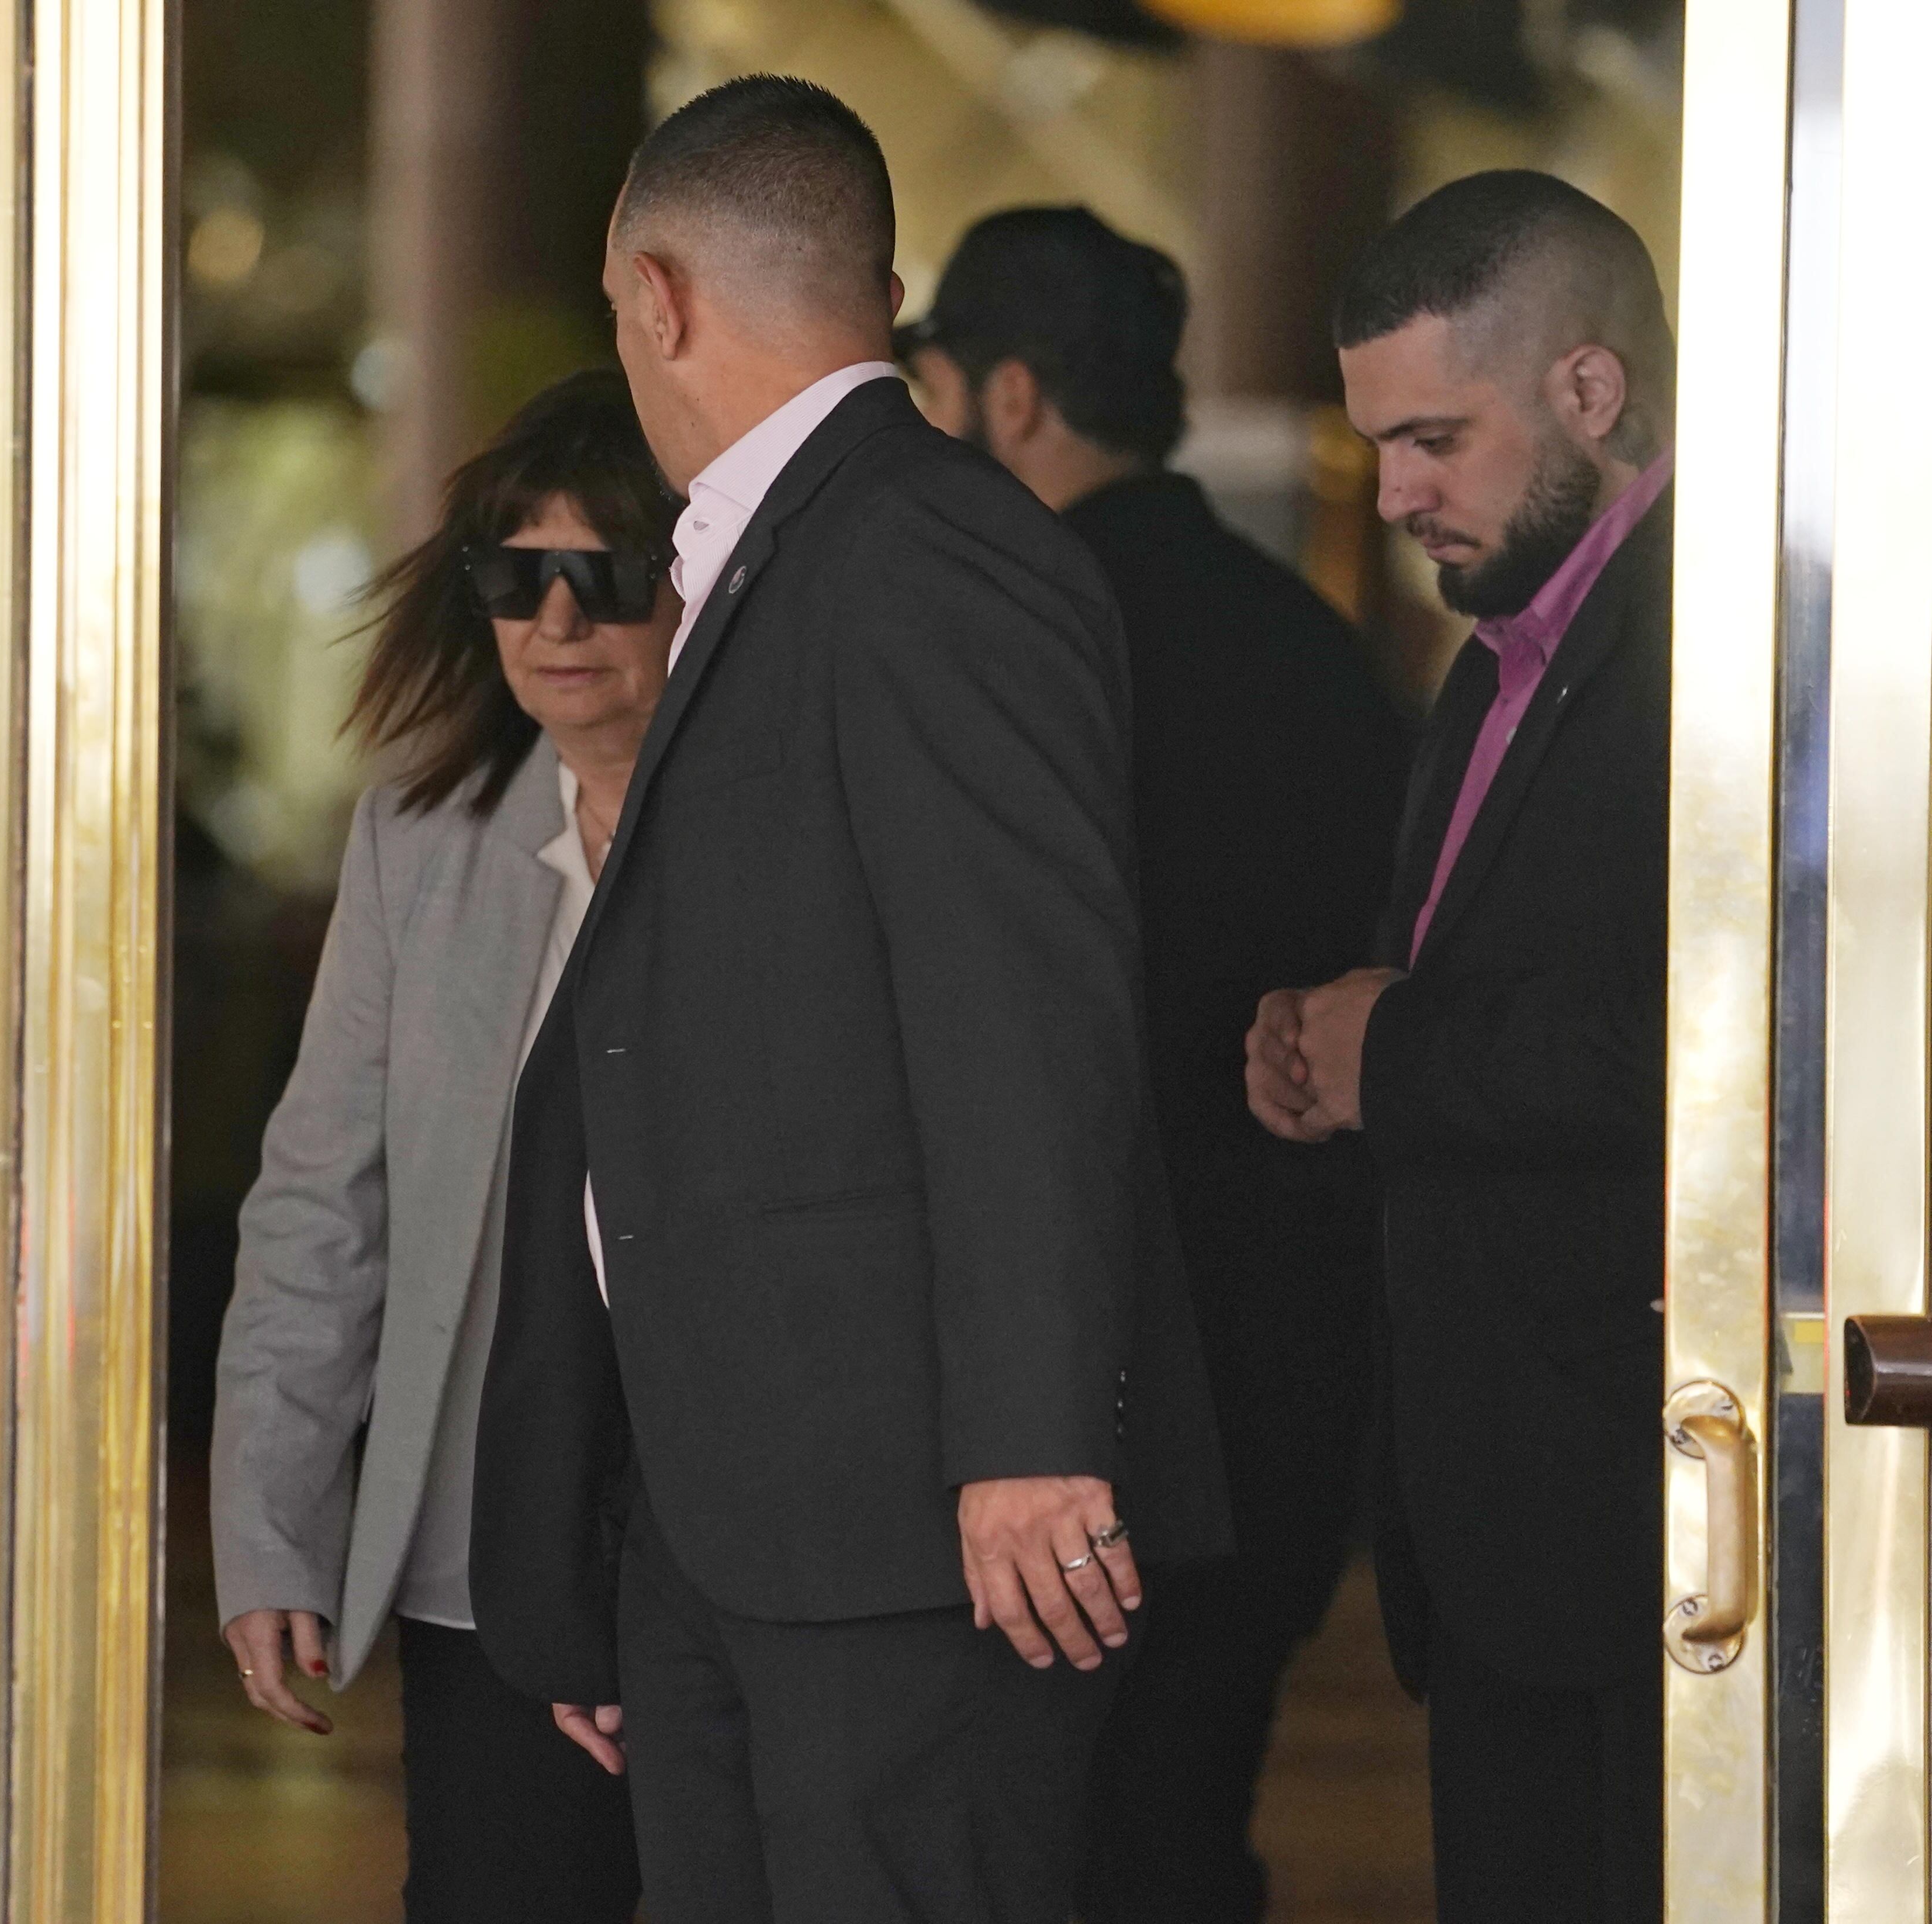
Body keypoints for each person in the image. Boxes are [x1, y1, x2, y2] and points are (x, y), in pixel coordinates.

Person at [468, 77, 1229, 1924]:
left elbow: (1026, 1015)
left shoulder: (928, 546)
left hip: (922, 1520)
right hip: (736, 1504)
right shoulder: (766, 547)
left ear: (652, 296)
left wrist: (1035, 1440)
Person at [902, 205, 1411, 1923]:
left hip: (1054, 1396)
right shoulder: (1316, 647)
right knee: (1185, 1834)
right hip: (1283, 1371)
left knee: (1022, 1851)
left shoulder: (995, 642)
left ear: (1012, 396)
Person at [1243, 171, 1674, 1923]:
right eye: (1378, 439)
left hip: (1652, 1530)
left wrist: (1397, 1050)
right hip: (1502, 1526)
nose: (1395, 488)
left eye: (1434, 436)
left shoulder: (1725, 659)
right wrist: (1339, 1039)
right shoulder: (1500, 647)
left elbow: (1732, 1047)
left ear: (1589, 391)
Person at [210, 370, 673, 1923]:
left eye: (602, 575)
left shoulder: (786, 828)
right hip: (486, 1549)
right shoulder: (422, 837)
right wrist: (273, 1526)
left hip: (724, 1559)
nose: (554, 617)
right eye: (510, 574)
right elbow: (320, 1197)